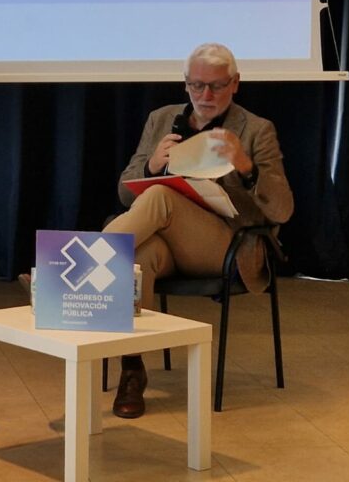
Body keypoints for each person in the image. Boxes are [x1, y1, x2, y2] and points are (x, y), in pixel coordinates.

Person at [104, 43, 293, 419]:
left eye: (216, 86)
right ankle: (132, 368)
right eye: (196, 85)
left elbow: (282, 210)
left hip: (229, 245)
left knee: (161, 197)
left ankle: (73, 270)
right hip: (172, 244)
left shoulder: (256, 129)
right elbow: (126, 192)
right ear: (185, 84)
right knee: (138, 257)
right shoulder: (162, 120)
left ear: (236, 84)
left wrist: (245, 166)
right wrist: (152, 166)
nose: (205, 95)